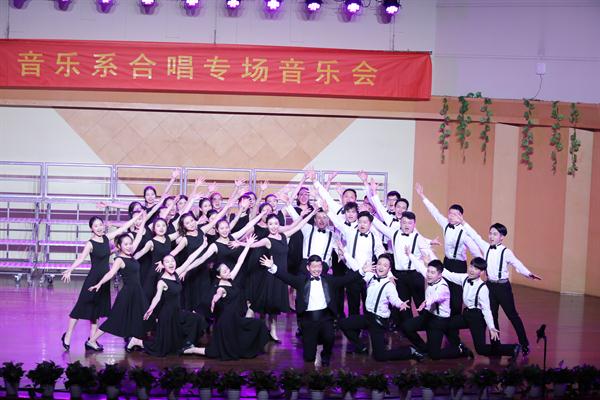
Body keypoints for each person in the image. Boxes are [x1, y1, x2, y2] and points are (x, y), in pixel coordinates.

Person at [260, 253, 367, 367]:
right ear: (308, 267)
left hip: (326, 318)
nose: (317, 269)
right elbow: (286, 277)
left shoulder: (328, 280)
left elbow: (345, 280)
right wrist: (272, 267)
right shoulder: (301, 281)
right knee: (309, 357)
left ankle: (326, 355)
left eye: (319, 266)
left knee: (329, 337)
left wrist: (362, 270)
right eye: (314, 266)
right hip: (308, 320)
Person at [60, 212, 143, 351]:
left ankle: (92, 340)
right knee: (80, 307)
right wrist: (70, 270)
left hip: (105, 280)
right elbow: (81, 258)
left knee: (97, 310)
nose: (99, 228)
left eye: (100, 225)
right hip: (93, 279)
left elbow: (123, 228)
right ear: (91, 229)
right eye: (96, 226)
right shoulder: (90, 244)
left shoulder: (106, 238)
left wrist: (137, 217)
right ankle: (68, 335)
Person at [462, 222, 542, 355]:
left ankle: (524, 344)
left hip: (503, 287)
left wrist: (528, 274)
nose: (491, 236)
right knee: (492, 316)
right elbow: (475, 235)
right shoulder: (486, 247)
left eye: (495, 234)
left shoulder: (506, 252)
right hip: (489, 286)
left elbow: (517, 264)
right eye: (490, 233)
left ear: (502, 237)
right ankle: (496, 346)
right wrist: (463, 223)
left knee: (512, 316)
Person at [245, 208, 317, 342]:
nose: (273, 226)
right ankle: (252, 329)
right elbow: (253, 245)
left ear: (279, 224)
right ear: (267, 225)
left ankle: (272, 331)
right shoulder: (267, 240)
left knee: (275, 304)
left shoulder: (284, 236)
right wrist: (242, 243)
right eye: (270, 224)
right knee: (262, 303)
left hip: (281, 276)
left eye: (276, 223)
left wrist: (311, 213)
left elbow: (299, 226)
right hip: (269, 276)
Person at [339, 252, 424, 362]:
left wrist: (400, 304)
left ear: (389, 269)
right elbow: (356, 266)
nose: (381, 267)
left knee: (380, 356)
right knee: (343, 323)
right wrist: (345, 253)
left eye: (385, 265)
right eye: (379, 264)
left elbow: (394, 299)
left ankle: (410, 351)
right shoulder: (370, 277)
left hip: (377, 322)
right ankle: (361, 347)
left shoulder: (389, 285)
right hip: (367, 317)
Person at [196, 236, 270, 361]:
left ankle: (190, 349)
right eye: (224, 271)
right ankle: (189, 349)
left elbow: (240, 261)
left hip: (234, 320)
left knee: (258, 325)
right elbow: (219, 293)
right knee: (216, 351)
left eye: (227, 269)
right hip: (226, 324)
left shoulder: (230, 278)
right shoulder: (220, 287)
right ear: (218, 276)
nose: (228, 271)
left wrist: (247, 245)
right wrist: (215, 299)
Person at [415, 182, 482, 316]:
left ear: (461, 216)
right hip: (447, 262)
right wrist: (422, 196)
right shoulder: (446, 224)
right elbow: (435, 212)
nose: (451, 216)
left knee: (457, 295)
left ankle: (455, 321)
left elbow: (476, 251)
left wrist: (481, 268)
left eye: (455, 214)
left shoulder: (465, 232)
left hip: (459, 265)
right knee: (444, 290)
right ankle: (443, 316)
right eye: (450, 213)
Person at [441, 257, 522, 361]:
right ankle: (459, 346)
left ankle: (512, 348)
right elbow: (449, 274)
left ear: (482, 272)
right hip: (467, 314)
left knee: (481, 349)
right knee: (446, 324)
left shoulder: (483, 288)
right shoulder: (464, 278)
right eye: (471, 266)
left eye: (476, 269)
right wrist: (431, 260)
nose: (472, 270)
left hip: (477, 318)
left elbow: (486, 310)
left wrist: (491, 327)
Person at [126, 254, 208, 356]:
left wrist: (203, 246)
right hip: (167, 316)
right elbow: (157, 297)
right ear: (163, 265)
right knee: (160, 349)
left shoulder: (176, 274)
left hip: (177, 312)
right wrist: (151, 309)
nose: (171, 264)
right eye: (167, 262)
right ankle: (136, 341)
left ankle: (188, 344)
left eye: (172, 261)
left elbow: (189, 260)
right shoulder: (162, 281)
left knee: (197, 319)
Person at [85, 232, 148, 351]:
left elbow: (139, 237)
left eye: (130, 244)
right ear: (119, 246)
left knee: (139, 315)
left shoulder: (131, 255)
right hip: (127, 293)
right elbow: (110, 273)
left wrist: (142, 222)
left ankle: (136, 339)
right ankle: (91, 341)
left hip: (137, 292)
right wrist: (99, 284)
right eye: (126, 244)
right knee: (114, 319)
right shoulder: (119, 259)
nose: (129, 246)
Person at [402, 252, 453, 360]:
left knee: (434, 355)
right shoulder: (430, 277)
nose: (429, 274)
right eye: (428, 271)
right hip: (428, 316)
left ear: (440, 275)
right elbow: (419, 266)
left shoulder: (443, 287)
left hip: (439, 321)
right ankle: (423, 348)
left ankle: (460, 350)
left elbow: (435, 297)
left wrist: (425, 303)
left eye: (432, 272)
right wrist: (410, 254)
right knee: (406, 326)